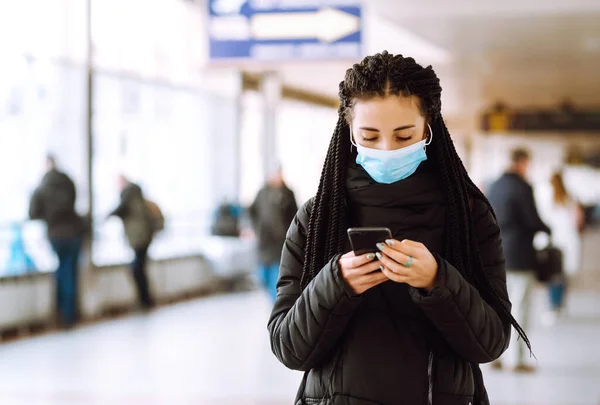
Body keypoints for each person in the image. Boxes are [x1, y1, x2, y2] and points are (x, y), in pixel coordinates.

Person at [268, 51, 528, 405]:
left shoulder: (468, 216)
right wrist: (336, 284)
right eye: (370, 136)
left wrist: (439, 280)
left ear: (428, 128)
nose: (387, 149)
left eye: (404, 136)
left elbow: (491, 342)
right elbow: (289, 348)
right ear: (349, 133)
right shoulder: (318, 219)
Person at [487, 148, 550, 373]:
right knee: (520, 306)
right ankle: (517, 360)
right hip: (520, 254)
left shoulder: (494, 185)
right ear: (523, 162)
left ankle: (494, 356)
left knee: (498, 306)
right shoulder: (523, 187)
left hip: (495, 254)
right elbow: (531, 220)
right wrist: (547, 229)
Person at [29, 155, 84, 328]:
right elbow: (75, 202)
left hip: (56, 235)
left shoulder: (41, 188)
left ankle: (63, 315)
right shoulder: (68, 182)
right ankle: (70, 315)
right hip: (74, 233)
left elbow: (33, 213)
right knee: (70, 274)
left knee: (61, 273)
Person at [537, 171, 584, 325]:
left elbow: (543, 220)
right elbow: (579, 220)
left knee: (553, 275)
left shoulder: (548, 198)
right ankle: (561, 306)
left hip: (555, 242)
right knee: (562, 276)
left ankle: (553, 307)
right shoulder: (570, 198)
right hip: (569, 241)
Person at [249, 165, 297, 301]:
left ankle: (276, 304)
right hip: (264, 242)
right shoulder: (262, 192)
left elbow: (296, 215)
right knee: (262, 276)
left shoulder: (288, 193)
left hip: (280, 243)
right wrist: (253, 228)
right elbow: (251, 211)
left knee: (276, 278)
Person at [109, 175, 155, 309]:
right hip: (144, 235)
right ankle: (145, 300)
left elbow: (120, 209)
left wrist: (107, 216)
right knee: (139, 268)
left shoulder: (128, 194)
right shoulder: (137, 195)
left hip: (139, 236)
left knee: (137, 269)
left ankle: (144, 301)